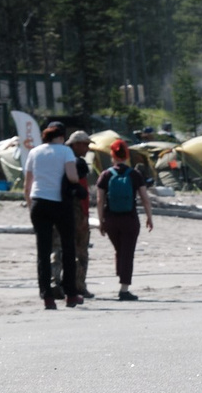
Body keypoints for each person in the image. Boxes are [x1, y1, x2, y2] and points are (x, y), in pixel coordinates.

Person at [21, 125, 83, 308]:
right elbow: (72, 176)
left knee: (43, 250)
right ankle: (70, 294)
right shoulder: (65, 151)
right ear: (62, 137)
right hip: (60, 202)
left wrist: (30, 205)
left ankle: (47, 296)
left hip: (39, 202)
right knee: (68, 247)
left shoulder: (34, 152)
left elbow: (27, 184)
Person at [96, 141, 155, 301]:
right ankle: (124, 288)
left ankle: (121, 274)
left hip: (111, 218)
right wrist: (149, 217)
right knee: (127, 252)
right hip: (130, 218)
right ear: (127, 155)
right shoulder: (134, 174)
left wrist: (101, 221)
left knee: (119, 250)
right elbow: (145, 198)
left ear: (112, 155)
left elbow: (100, 200)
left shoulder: (105, 175)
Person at [68, 131, 97, 297]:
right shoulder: (79, 163)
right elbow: (83, 191)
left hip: (62, 210)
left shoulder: (61, 159)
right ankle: (79, 285)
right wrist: (85, 214)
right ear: (76, 144)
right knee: (81, 251)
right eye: (85, 145)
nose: (87, 148)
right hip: (77, 211)